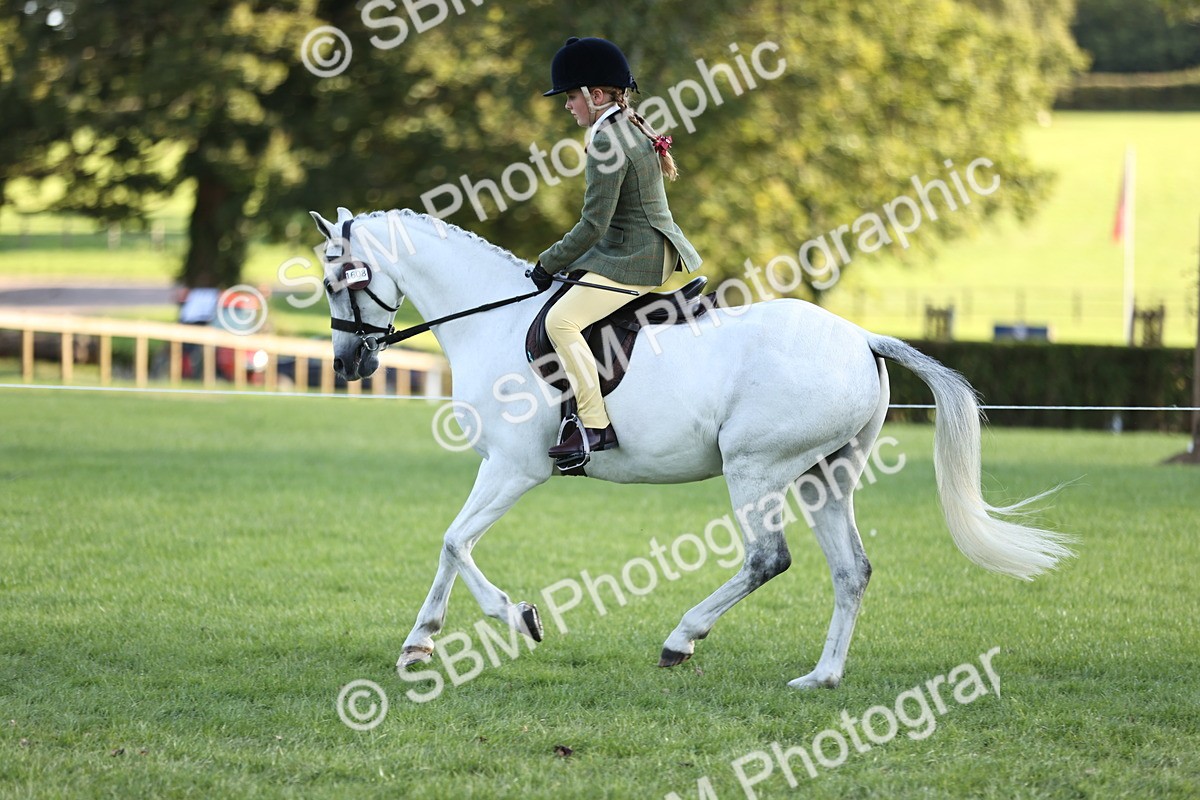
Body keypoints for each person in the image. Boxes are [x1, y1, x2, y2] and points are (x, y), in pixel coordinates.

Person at [531, 36, 702, 461]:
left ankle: (594, 426)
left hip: (637, 258)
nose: (567, 105)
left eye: (571, 96)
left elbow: (593, 225)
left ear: (597, 94)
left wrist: (546, 263)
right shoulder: (621, 126)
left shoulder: (607, 140)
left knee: (561, 322)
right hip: (634, 249)